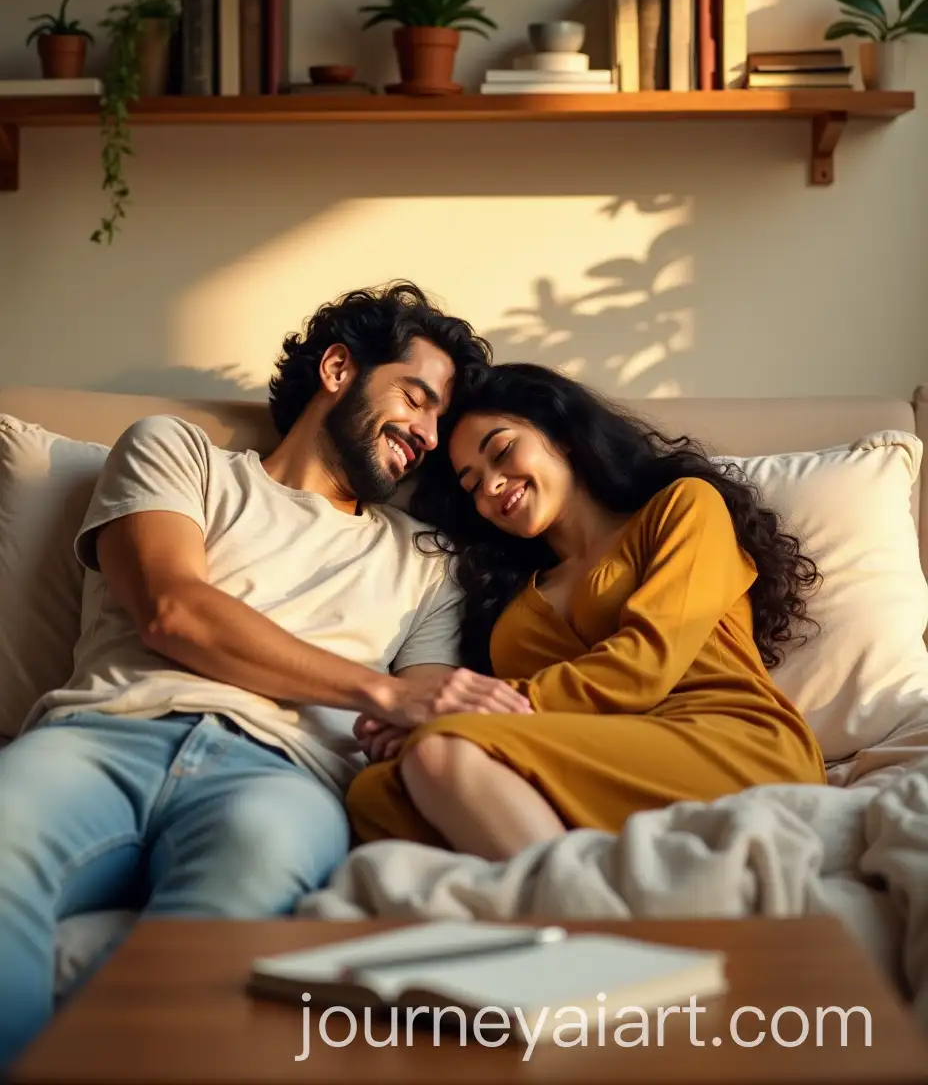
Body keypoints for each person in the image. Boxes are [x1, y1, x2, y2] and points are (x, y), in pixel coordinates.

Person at [0, 283, 535, 1069]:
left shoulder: (425, 561)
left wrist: (412, 716)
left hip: (281, 777)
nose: (426, 433)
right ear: (338, 368)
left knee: (223, 940)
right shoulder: (176, 454)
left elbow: (424, 713)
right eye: (415, 398)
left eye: (438, 420)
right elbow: (171, 609)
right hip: (106, 735)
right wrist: (381, 691)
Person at [347, 362, 828, 862]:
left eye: (503, 451)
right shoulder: (510, 614)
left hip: (734, 740)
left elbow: (643, 668)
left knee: (441, 747)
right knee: (376, 793)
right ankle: (584, 875)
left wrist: (454, 709)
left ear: (564, 434)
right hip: (603, 758)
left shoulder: (682, 507)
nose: (490, 486)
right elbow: (525, 730)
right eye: (472, 484)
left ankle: (586, 910)